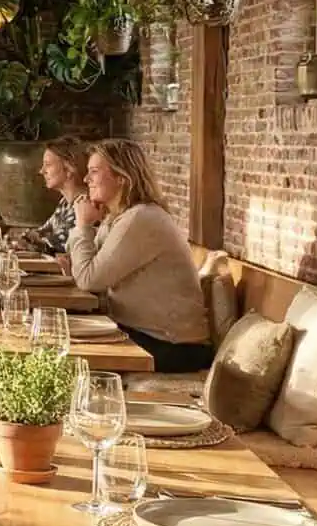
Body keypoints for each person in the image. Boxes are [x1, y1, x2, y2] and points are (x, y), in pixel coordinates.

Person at [66, 138, 213, 372]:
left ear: (122, 178)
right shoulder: (118, 218)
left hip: (173, 346)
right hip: (145, 334)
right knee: (59, 339)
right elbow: (82, 267)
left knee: (64, 353)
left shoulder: (141, 219)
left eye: (94, 171)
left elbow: (88, 279)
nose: (86, 179)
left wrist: (82, 224)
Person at [24, 135, 88, 254]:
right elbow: (40, 233)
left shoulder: (86, 204)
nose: (41, 171)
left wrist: (33, 241)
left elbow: (55, 247)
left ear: (69, 168)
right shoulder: (65, 202)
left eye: (48, 165)